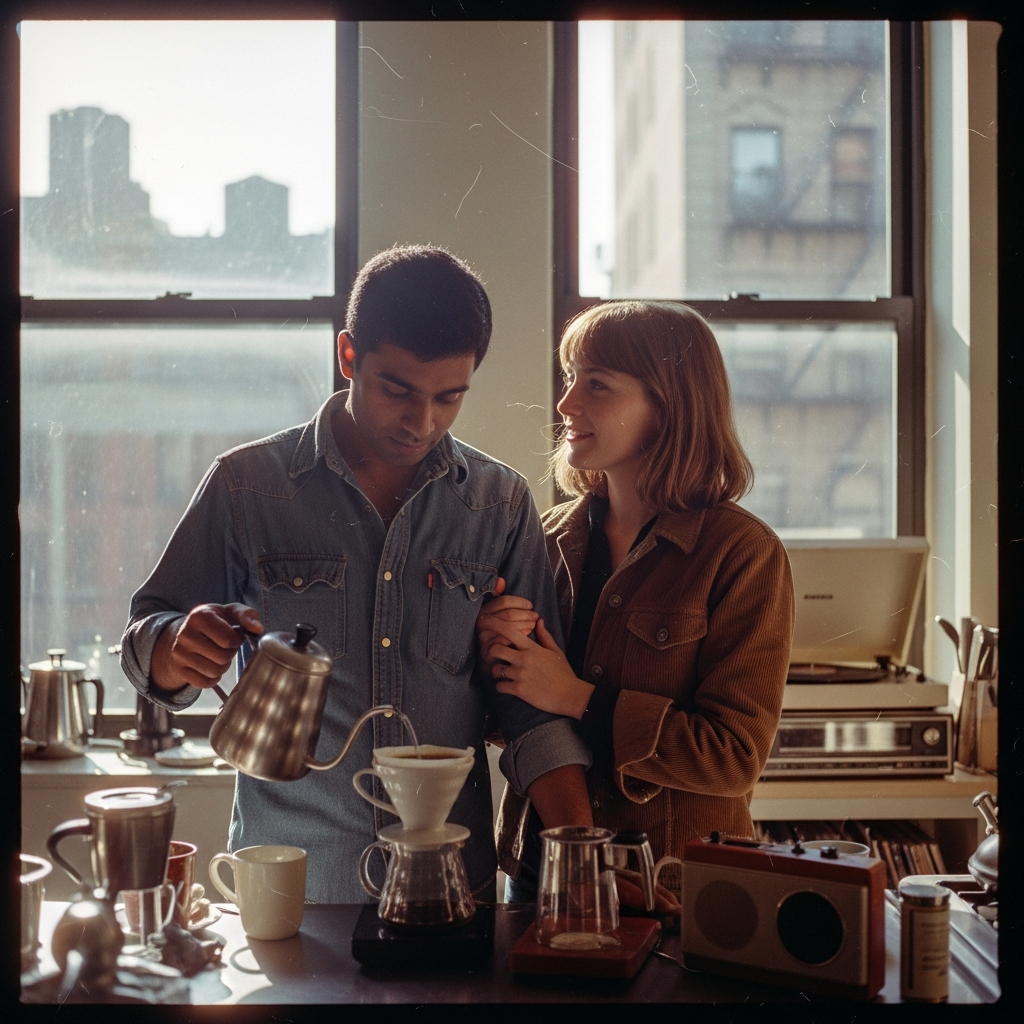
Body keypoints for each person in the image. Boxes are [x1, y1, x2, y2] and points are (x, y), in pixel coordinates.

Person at [120, 245, 592, 904]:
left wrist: (584, 860)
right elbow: (145, 643)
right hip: (291, 888)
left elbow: (532, 712)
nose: (421, 423)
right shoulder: (247, 486)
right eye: (397, 390)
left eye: (449, 398)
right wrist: (175, 649)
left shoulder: (499, 505)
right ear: (348, 357)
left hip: (452, 894)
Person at [478, 299, 794, 903]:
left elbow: (732, 758)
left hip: (674, 891)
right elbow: (506, 721)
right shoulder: (547, 538)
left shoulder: (743, 553)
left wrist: (577, 697)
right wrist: (493, 650)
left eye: (596, 385)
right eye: (571, 380)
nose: (567, 404)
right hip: (538, 875)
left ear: (669, 406)